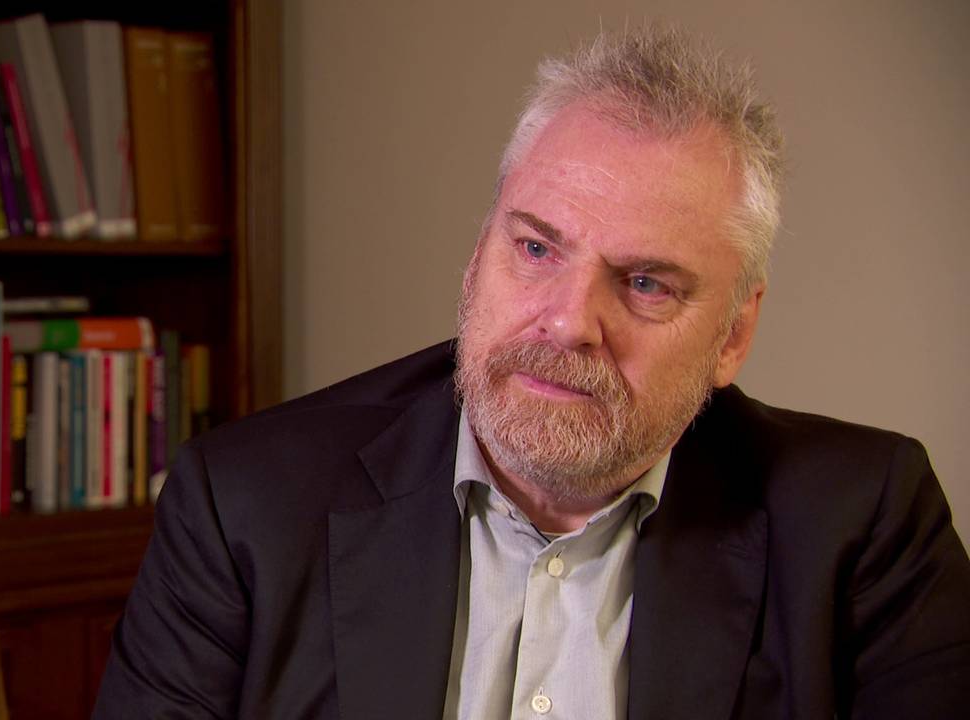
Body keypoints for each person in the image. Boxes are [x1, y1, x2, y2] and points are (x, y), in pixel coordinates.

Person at [92, 25, 970, 719]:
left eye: (644, 283)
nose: (567, 322)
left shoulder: (865, 528)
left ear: (734, 335)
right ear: (478, 257)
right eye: (537, 247)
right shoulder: (244, 504)